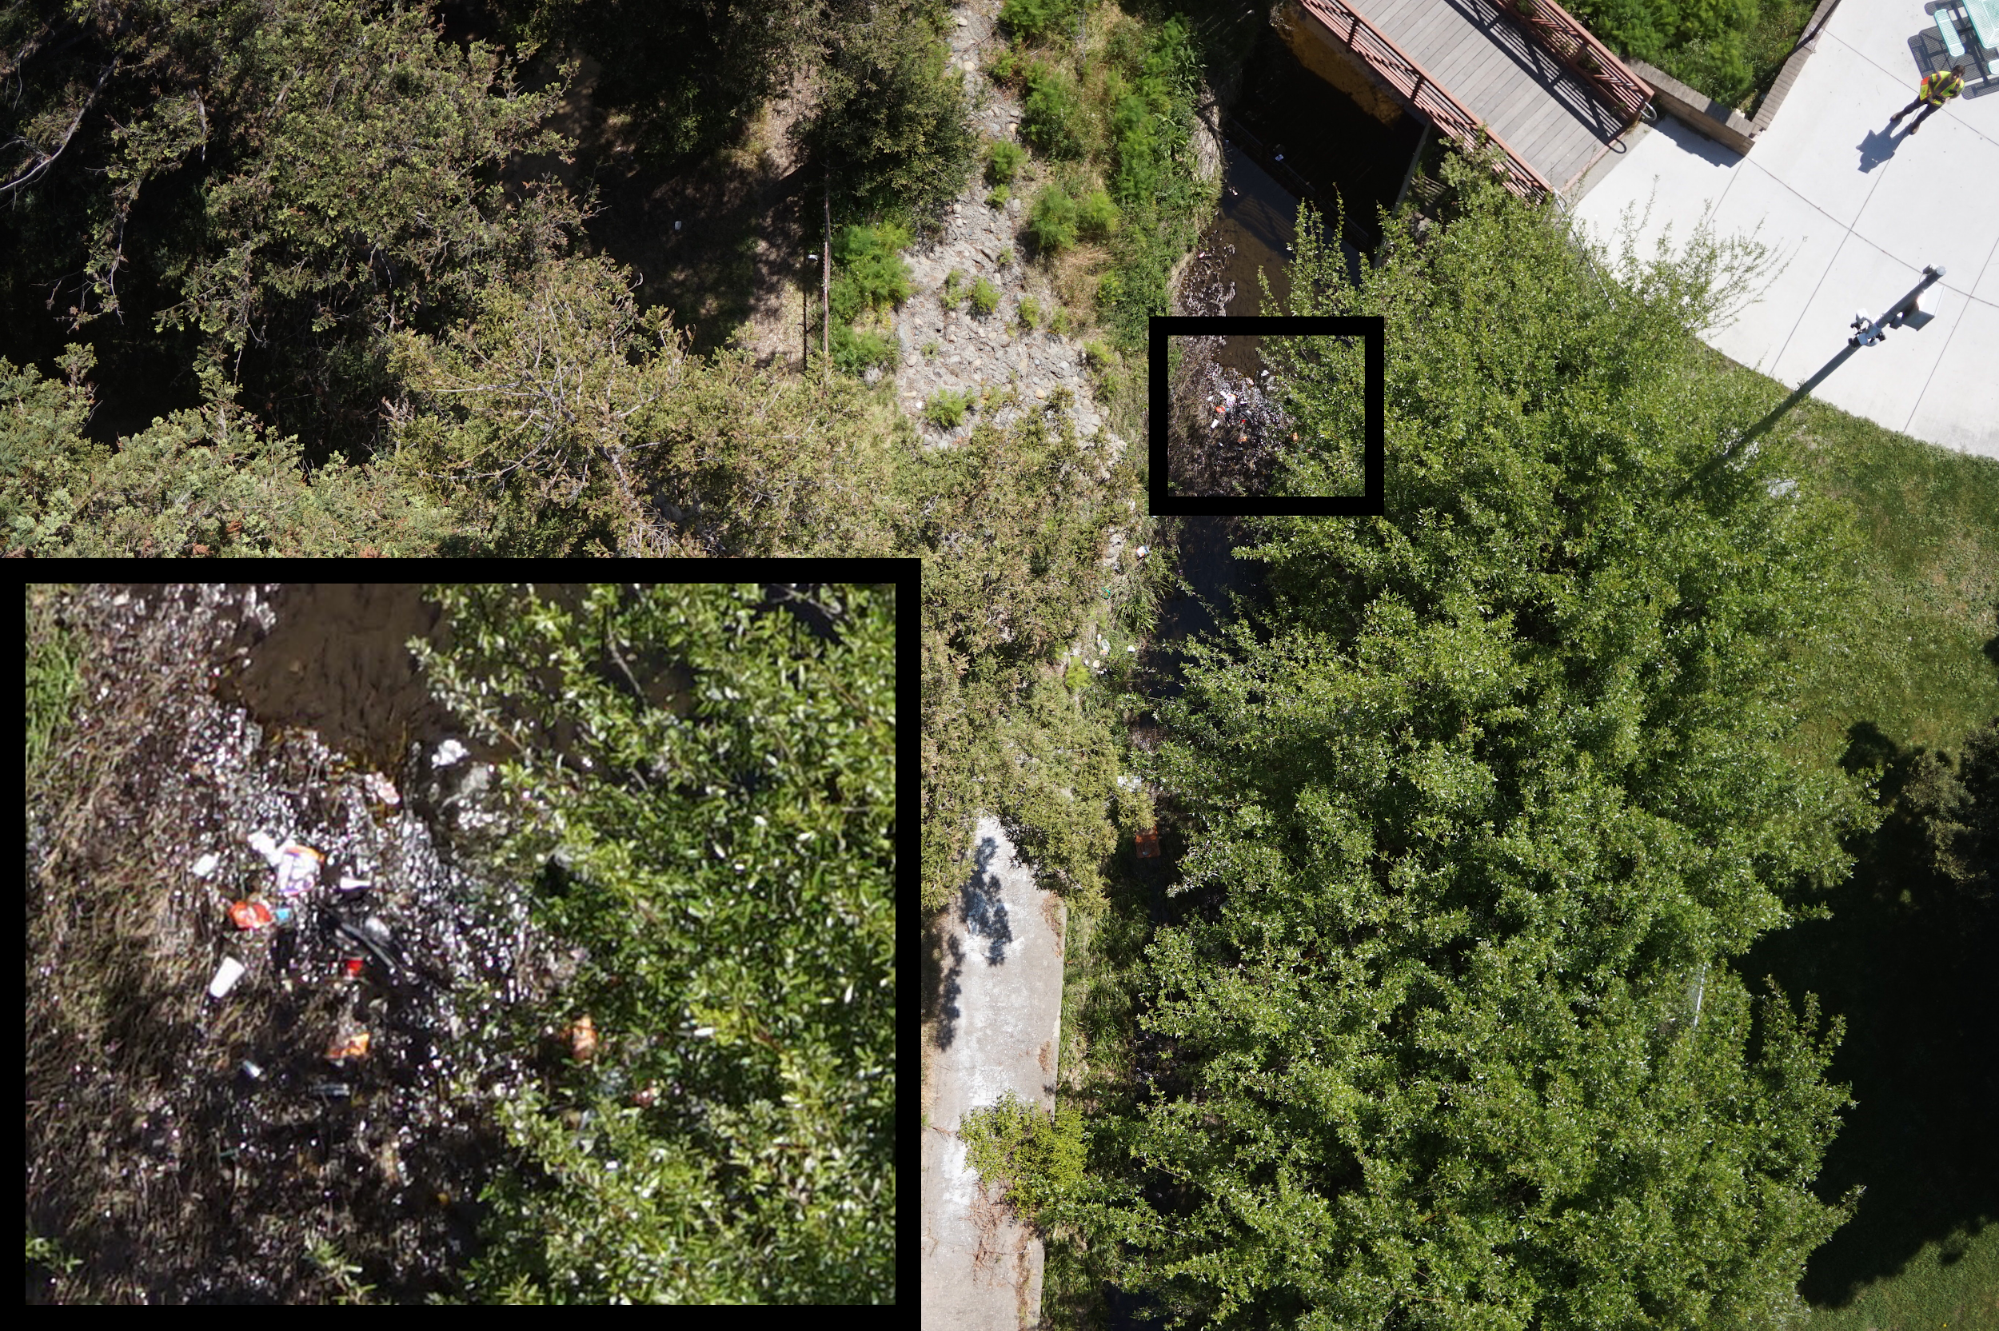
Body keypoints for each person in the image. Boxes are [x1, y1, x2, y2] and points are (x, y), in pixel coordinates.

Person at [1889, 62, 1967, 135]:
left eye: (1957, 76)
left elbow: (1956, 94)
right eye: (1954, 74)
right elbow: (1930, 80)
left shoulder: (1959, 85)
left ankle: (1916, 123)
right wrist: (1933, 92)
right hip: (1926, 95)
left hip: (1937, 103)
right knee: (1913, 106)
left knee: (1925, 114)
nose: (1954, 76)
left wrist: (1947, 98)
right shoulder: (1940, 75)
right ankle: (1902, 114)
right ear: (1952, 71)